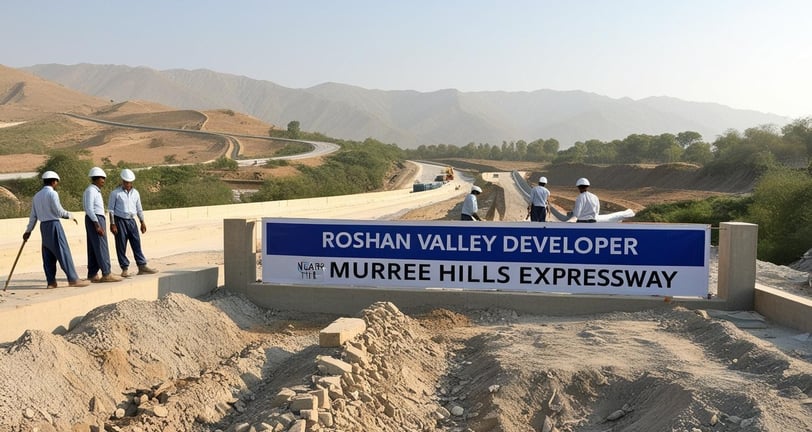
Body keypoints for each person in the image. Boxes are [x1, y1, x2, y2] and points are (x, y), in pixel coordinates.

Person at [23, 171, 90, 288]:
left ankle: (51, 282)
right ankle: (73, 279)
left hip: (43, 226)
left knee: (48, 254)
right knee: (63, 252)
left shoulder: (36, 196)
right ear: (54, 181)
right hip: (54, 225)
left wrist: (28, 231)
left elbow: (33, 216)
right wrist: (70, 216)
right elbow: (59, 212)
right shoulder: (53, 194)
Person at [108, 168, 158, 277]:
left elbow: (139, 208)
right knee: (121, 245)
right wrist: (112, 224)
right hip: (120, 220)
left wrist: (142, 221)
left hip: (132, 220)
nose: (128, 184)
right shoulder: (115, 193)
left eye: (130, 182)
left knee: (136, 243)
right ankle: (124, 268)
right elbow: (111, 210)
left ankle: (142, 265)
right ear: (122, 181)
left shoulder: (136, 193)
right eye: (126, 182)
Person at [83, 167, 122, 283]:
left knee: (93, 247)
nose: (103, 181)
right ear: (96, 179)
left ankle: (92, 273)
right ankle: (106, 273)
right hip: (95, 218)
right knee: (101, 245)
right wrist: (97, 224)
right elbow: (89, 208)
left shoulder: (94, 191)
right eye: (102, 179)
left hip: (95, 218)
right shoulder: (91, 191)